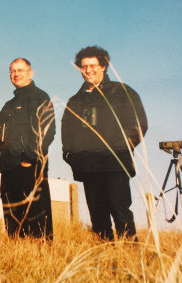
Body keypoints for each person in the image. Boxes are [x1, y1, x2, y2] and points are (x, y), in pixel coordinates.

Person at [61, 46, 148, 240]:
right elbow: (66, 130)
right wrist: (70, 155)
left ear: (103, 66)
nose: (88, 70)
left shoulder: (122, 91)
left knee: (121, 212)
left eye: (93, 65)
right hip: (88, 166)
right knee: (98, 217)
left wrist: (121, 147)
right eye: (83, 67)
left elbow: (139, 124)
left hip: (115, 164)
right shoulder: (75, 100)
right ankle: (104, 261)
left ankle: (130, 258)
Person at [0, 58, 56, 240]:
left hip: (30, 167)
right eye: (12, 70)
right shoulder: (9, 105)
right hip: (9, 169)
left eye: (20, 70)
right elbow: (3, 134)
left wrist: (28, 158)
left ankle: (40, 260)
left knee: (36, 218)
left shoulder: (40, 97)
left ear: (30, 73)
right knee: (12, 220)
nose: (16, 74)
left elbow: (47, 131)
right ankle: (18, 258)